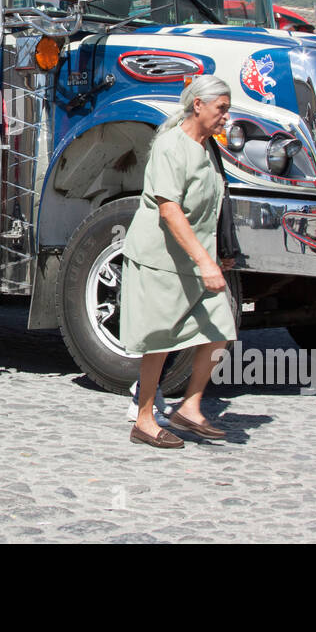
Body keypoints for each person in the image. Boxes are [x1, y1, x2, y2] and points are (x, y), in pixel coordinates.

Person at [121, 76, 236, 449]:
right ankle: (144, 418)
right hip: (162, 259)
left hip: (197, 258)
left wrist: (217, 255)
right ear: (198, 106)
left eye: (227, 109)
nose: (225, 116)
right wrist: (206, 262)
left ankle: (190, 407)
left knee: (220, 329)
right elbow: (169, 210)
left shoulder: (207, 148)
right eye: (221, 108)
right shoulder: (171, 146)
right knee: (160, 340)